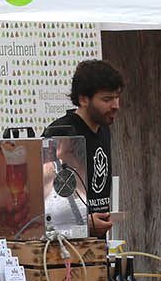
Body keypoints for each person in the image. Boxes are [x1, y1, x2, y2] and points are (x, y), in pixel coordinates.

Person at [44, 60, 122, 236]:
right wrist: (84, 223)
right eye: (107, 99)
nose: (116, 105)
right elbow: (46, 206)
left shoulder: (103, 129)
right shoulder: (60, 133)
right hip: (66, 246)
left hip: (96, 246)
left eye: (117, 97)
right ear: (83, 99)